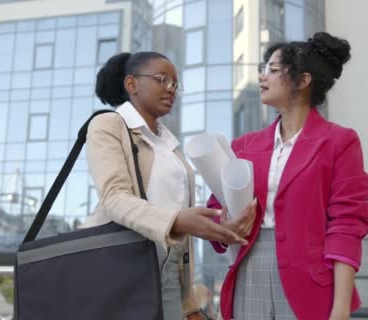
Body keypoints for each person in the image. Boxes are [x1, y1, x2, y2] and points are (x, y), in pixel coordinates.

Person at [208, 32, 368, 320]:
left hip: (311, 282)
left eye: (272, 69)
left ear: (303, 80)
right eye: (264, 69)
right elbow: (215, 207)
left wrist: (341, 309)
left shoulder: (340, 142)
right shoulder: (243, 146)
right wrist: (224, 223)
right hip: (249, 272)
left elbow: (347, 224)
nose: (262, 76)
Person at [80, 51, 248, 320]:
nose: (171, 89)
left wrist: (214, 228)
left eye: (175, 84)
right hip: (120, 267)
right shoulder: (108, 124)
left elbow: (179, 221)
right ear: (131, 84)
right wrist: (178, 220)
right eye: (162, 80)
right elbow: (114, 198)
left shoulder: (169, 144)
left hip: (169, 270)